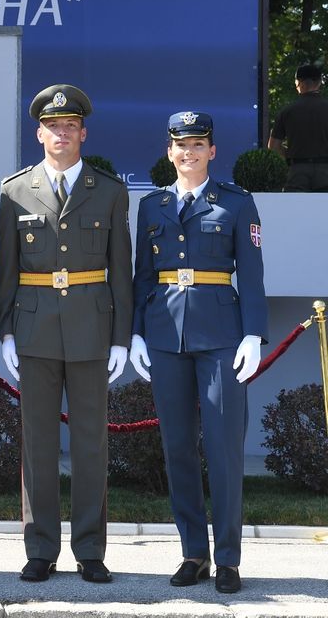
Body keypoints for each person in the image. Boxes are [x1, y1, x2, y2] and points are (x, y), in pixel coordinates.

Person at [0, 84, 132, 584]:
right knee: (38, 443)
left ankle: (91, 549)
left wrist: (122, 337)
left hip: (93, 327)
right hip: (33, 329)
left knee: (92, 442)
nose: (61, 133)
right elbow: (5, 270)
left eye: (70, 126)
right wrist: (5, 331)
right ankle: (41, 548)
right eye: (53, 127)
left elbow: (122, 270)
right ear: (40, 133)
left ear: (83, 133)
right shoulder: (13, 191)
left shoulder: (110, 191)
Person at [129, 111, 265, 594]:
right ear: (170, 152)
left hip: (223, 338)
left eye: (198, 144)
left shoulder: (235, 202)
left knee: (224, 449)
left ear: (212, 151)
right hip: (166, 336)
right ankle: (193, 552)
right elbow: (143, 275)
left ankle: (227, 558)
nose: (188, 152)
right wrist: (137, 333)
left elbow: (251, 273)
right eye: (180, 145)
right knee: (178, 449)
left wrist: (254, 334)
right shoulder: (152, 205)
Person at [268, 63, 328, 192]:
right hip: (326, 171)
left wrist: (289, 155)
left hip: (297, 172)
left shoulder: (287, 111)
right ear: (319, 83)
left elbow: (273, 147)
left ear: (299, 83)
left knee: (295, 210)